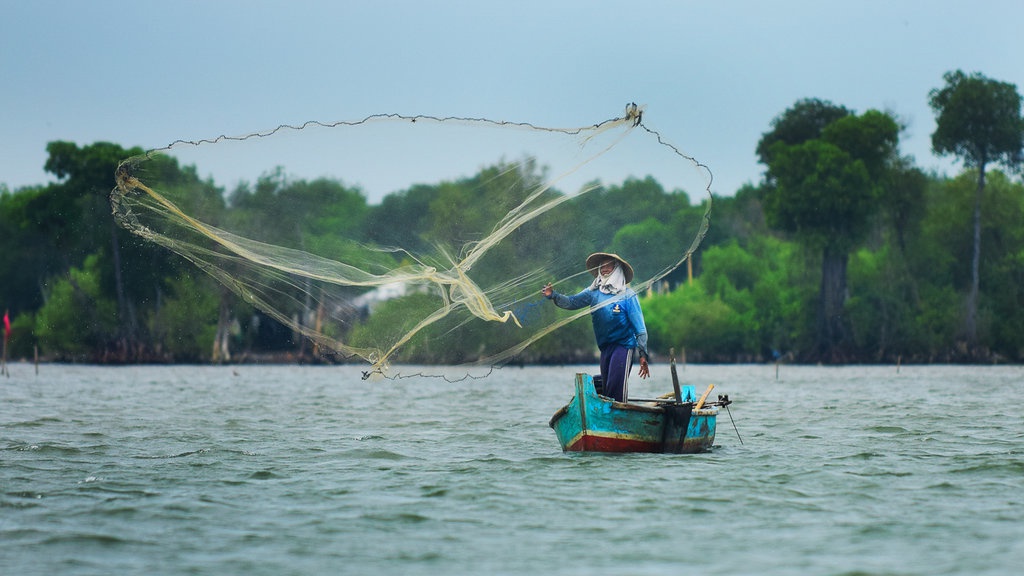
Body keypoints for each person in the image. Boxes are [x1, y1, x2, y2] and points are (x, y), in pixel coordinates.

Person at [542, 252, 650, 402]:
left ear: (616, 268)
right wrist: (553, 295)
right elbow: (572, 302)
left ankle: (617, 418)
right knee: (606, 387)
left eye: (608, 265)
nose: (604, 269)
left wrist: (643, 355)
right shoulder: (593, 293)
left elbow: (640, 328)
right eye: (602, 266)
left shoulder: (627, 296)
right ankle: (603, 417)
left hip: (623, 346)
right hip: (605, 348)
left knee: (615, 387)